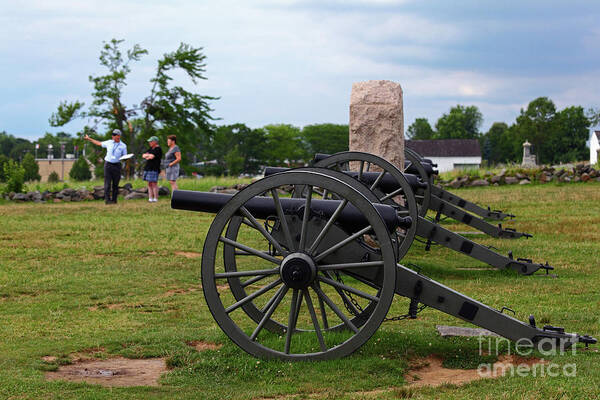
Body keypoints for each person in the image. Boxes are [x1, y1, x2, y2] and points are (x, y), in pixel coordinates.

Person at [84, 129, 127, 204]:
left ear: (119, 136)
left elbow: (125, 156)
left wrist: (124, 159)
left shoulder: (123, 146)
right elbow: (98, 143)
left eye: (116, 135)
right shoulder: (109, 142)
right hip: (108, 165)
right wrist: (89, 139)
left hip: (117, 165)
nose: (114, 137)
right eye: (113, 135)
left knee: (115, 184)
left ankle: (114, 200)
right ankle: (107, 200)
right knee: (107, 183)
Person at [142, 136, 162, 202]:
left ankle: (155, 198)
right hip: (148, 168)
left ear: (155, 142)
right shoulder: (150, 149)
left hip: (154, 168)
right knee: (149, 183)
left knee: (154, 183)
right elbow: (143, 155)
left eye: (151, 141)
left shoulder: (158, 149)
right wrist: (148, 155)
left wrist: (148, 156)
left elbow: (152, 156)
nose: (149, 143)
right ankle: (150, 197)